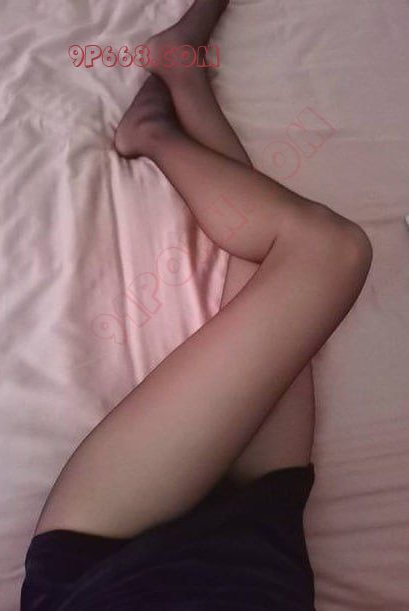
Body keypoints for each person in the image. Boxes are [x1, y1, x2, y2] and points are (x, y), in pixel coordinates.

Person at [21, 1, 372, 609]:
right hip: (259, 543)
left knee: (323, 252)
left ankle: (158, 125)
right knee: (296, 260)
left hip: (109, 548)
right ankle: (171, 101)